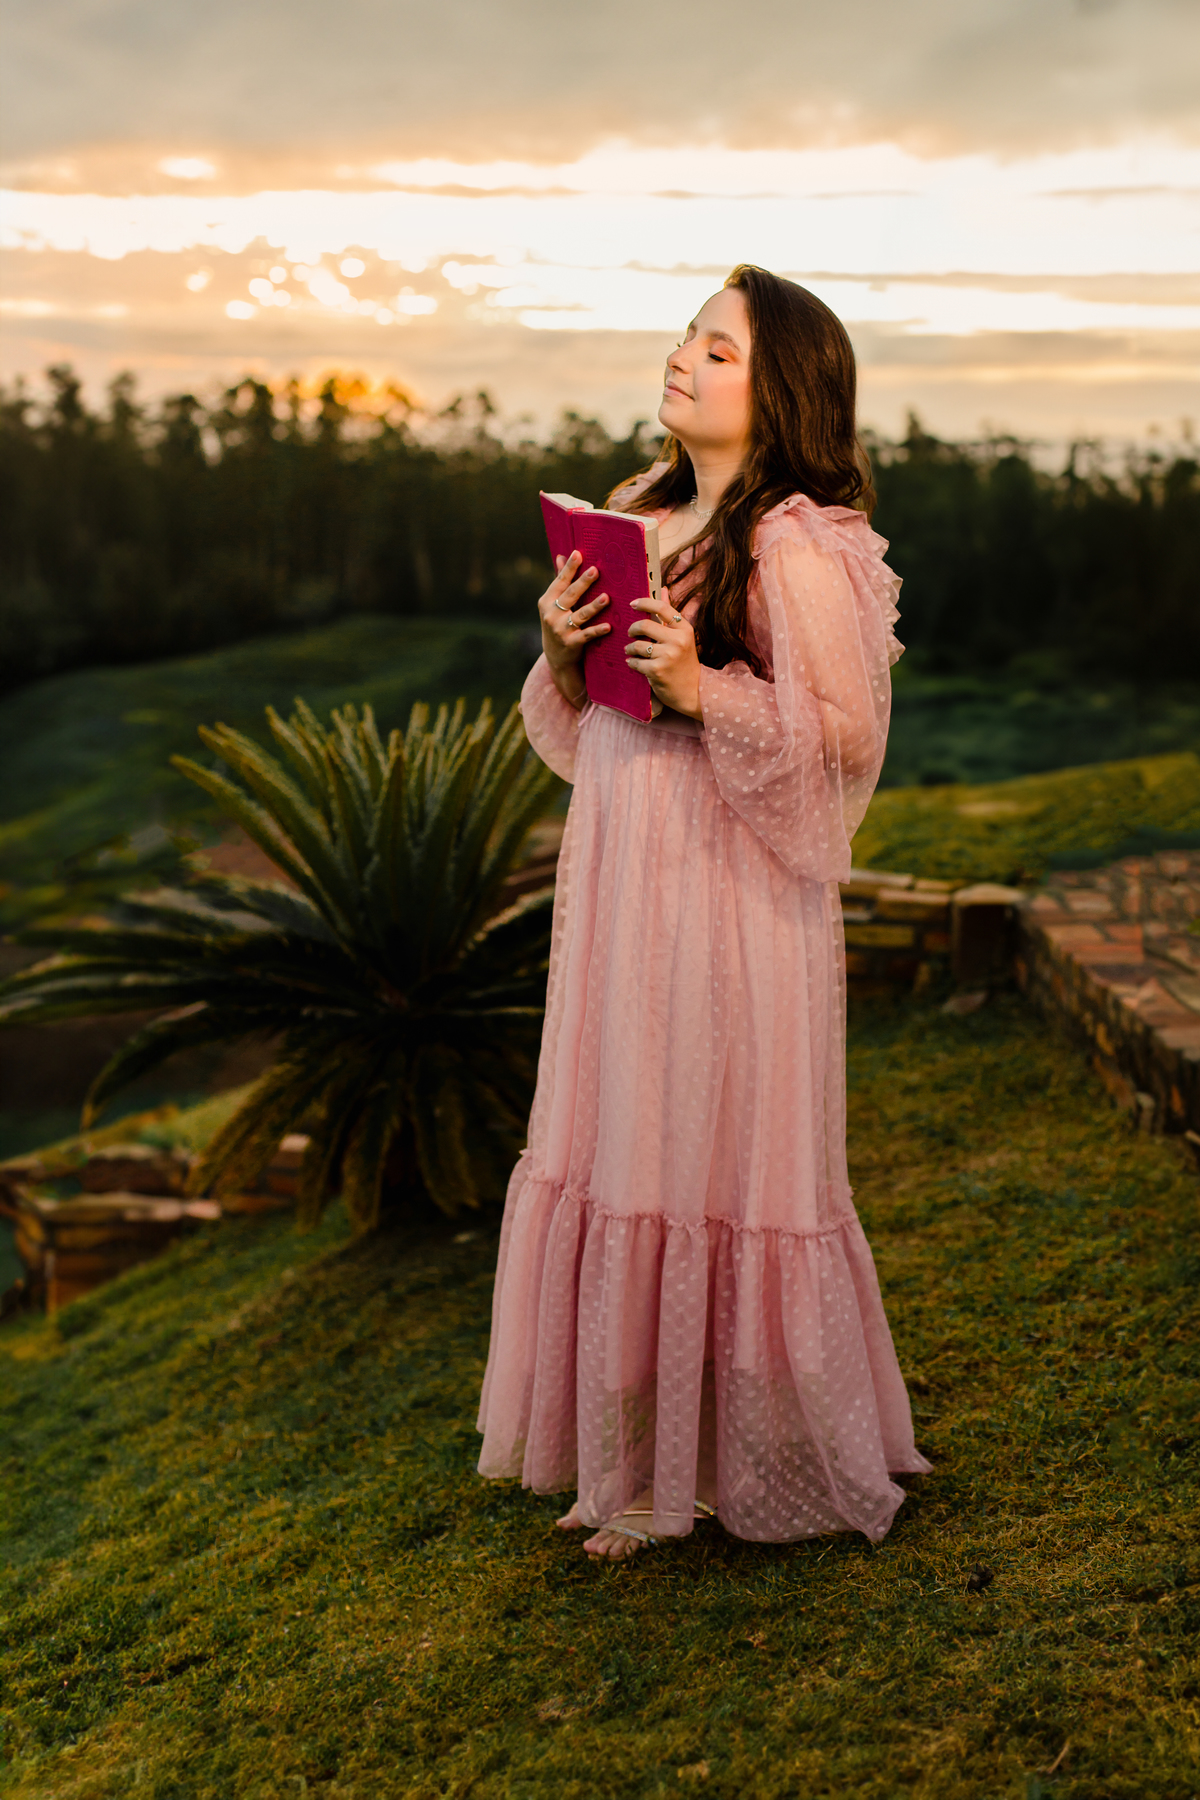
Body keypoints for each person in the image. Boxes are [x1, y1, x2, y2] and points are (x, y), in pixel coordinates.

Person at [476, 263, 931, 1559]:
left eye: (719, 350)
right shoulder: (640, 511)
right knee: (632, 1136)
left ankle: (744, 1459)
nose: (683, 356)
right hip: (626, 877)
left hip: (731, 890)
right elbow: (580, 723)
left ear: (780, 389)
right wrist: (570, 651)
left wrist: (701, 692)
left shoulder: (798, 546)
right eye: (687, 335)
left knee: (720, 1148)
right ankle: (638, 1460)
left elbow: (840, 744)